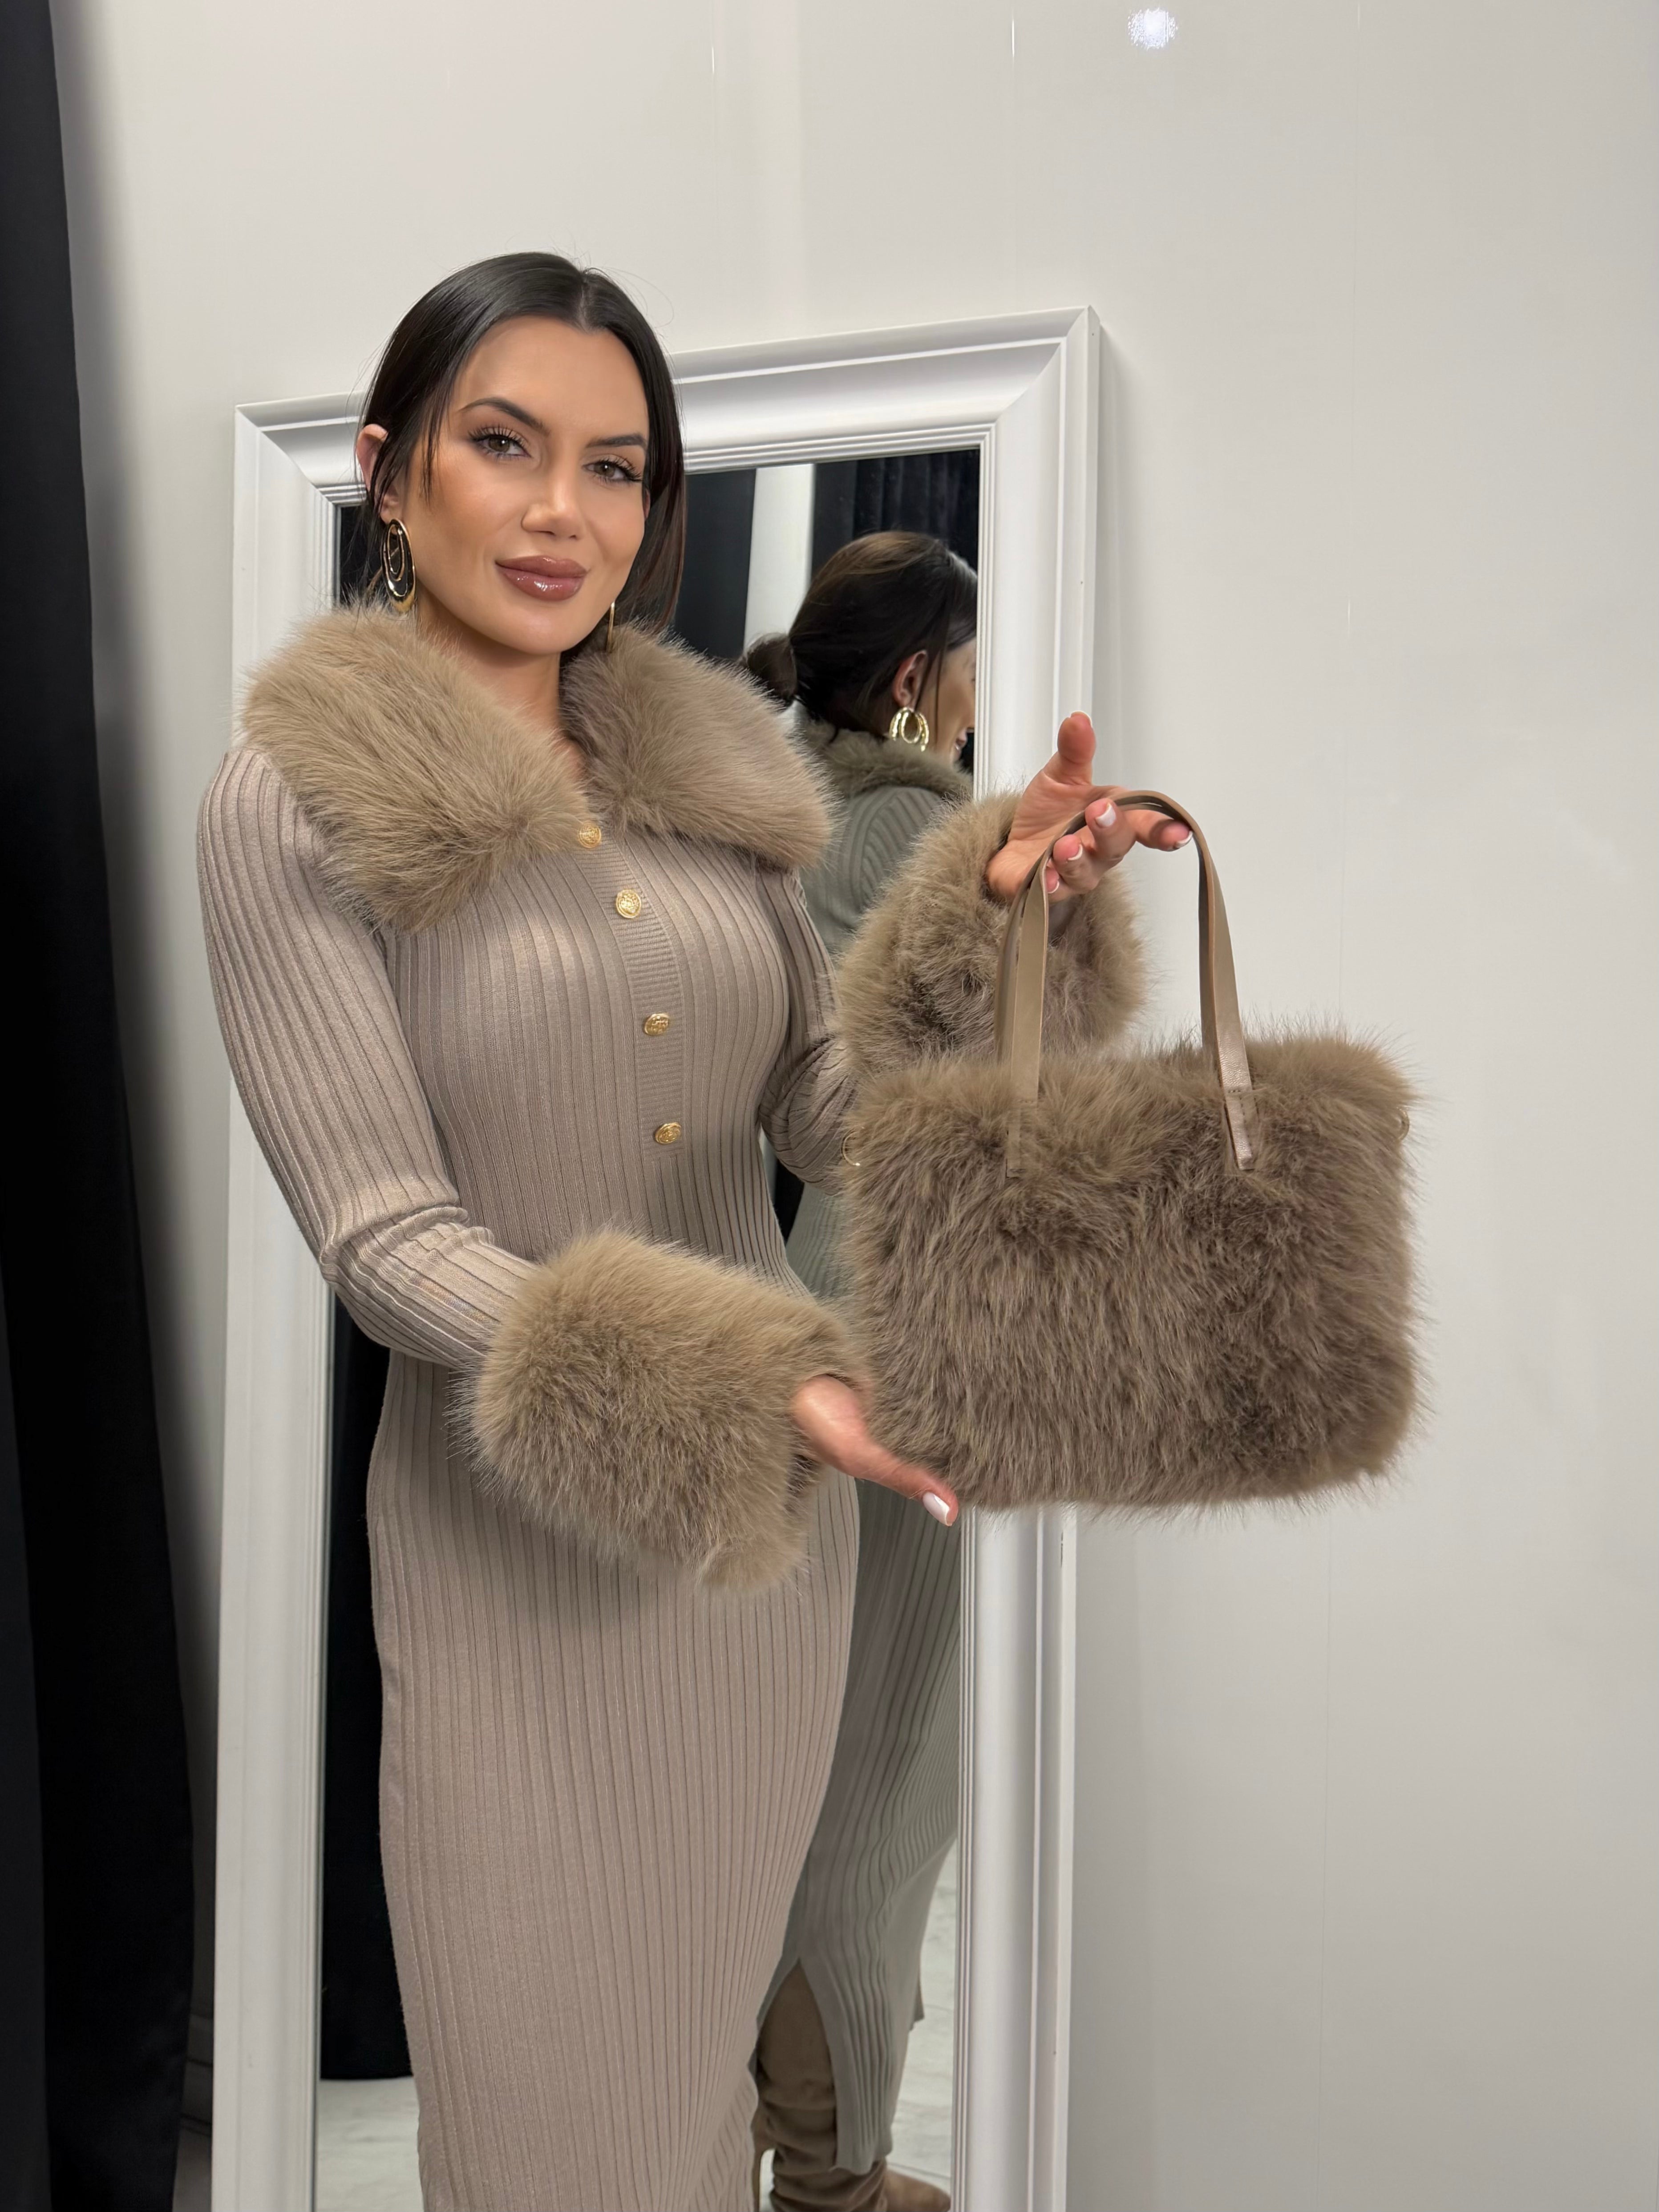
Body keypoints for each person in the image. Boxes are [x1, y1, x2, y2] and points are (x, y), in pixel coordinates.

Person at [197, 252, 1182, 2212]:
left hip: (757, 1583)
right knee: (546, 2143)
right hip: (518, 1572)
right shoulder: (292, 803)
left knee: (692, 2117)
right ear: (390, 471)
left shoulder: (713, 775)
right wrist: (758, 1379)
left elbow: (824, 1105)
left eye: (617, 466)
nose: (562, 511)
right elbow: (384, 1237)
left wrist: (997, 916)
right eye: (504, 444)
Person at [746, 534, 978, 2212]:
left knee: (766, 1760)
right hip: (895, 1342)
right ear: (915, 678)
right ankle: (833, 2172)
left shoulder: (754, 821)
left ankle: (751, 2133)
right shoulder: (932, 842)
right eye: (965, 663)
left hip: (762, 1333)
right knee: (879, 1772)